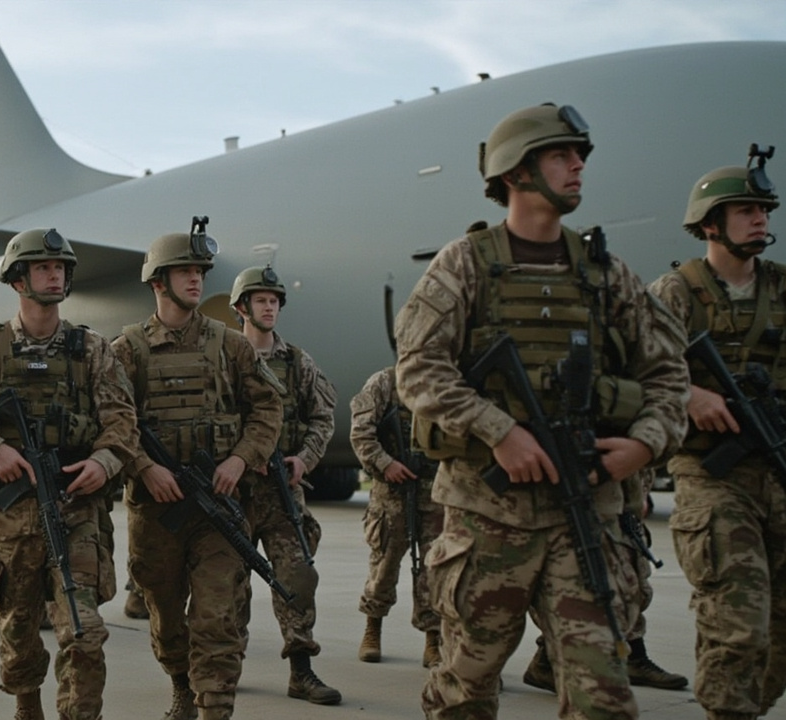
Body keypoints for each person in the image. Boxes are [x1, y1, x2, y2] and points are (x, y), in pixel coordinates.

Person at [395, 103, 690, 719]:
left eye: (578, 154)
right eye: (560, 154)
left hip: (586, 513)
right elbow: (418, 370)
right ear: (515, 172)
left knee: (604, 699)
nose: (578, 164)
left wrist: (645, 444)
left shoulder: (607, 275)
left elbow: (669, 376)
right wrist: (498, 432)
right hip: (485, 519)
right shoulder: (465, 264)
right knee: (463, 694)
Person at [0, 228, 136, 720]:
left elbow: (123, 421)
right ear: (18, 280)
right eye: (43, 267)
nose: (55, 274)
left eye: (60, 267)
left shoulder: (92, 351)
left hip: (76, 511)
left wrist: (103, 462)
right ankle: (27, 707)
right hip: (10, 515)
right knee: (17, 632)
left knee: (84, 632)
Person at [112, 218, 282, 720]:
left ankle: (215, 706)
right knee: (166, 616)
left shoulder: (232, 345)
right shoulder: (127, 351)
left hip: (219, 508)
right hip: (157, 511)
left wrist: (241, 458)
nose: (196, 280)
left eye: (200, 272)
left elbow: (269, 409)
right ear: (157, 282)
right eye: (183, 271)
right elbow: (113, 421)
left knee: (216, 616)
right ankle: (181, 685)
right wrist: (143, 467)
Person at [647, 154, 786, 720]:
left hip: (778, 466)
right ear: (710, 223)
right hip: (713, 477)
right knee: (737, 625)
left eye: (763, 210)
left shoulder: (781, 287)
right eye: (745, 210)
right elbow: (635, 373)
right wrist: (690, 395)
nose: (759, 219)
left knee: (778, 638)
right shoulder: (674, 293)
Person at [228, 265, 341, 705]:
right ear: (242, 308)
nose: (270, 306)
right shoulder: (224, 357)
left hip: (282, 493)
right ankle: (225, 664)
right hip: (234, 492)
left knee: (297, 576)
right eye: (261, 300)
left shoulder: (298, 362)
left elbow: (322, 417)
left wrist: (304, 459)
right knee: (229, 583)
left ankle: (302, 669)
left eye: (274, 301)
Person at [522, 468, 688, 693]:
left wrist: (635, 495)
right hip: (556, 486)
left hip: (618, 485)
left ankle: (631, 655)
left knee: (625, 580)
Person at [348, 366, 444, 668]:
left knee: (435, 571)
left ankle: (434, 640)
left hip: (435, 493)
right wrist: (385, 464)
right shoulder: (383, 382)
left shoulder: (446, 382)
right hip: (391, 493)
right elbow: (361, 432)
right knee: (383, 568)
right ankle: (372, 629)